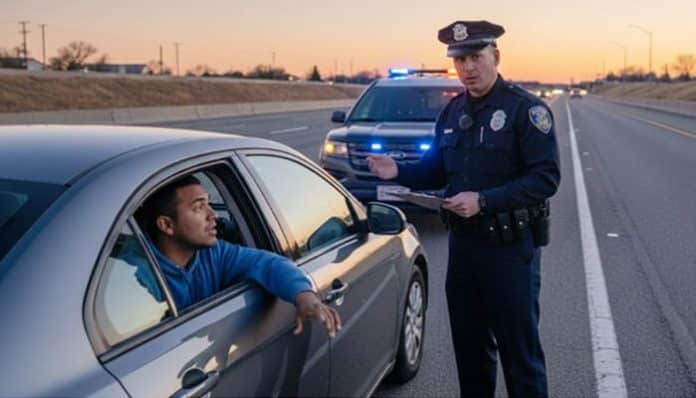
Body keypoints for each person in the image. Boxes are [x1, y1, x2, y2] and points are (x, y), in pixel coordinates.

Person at [367, 20, 560, 397]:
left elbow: (546, 179)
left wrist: (485, 201)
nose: (467, 68)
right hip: (465, 251)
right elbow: (438, 169)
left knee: (520, 357)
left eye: (475, 57)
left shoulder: (525, 110)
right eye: (459, 60)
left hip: (510, 252)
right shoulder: (452, 113)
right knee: (470, 354)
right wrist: (399, 171)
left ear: (495, 56)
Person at [135, 175, 341, 338]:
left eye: (209, 203)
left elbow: (267, 263)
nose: (213, 215)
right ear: (167, 225)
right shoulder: (137, 277)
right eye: (199, 207)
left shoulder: (213, 253)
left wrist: (304, 296)